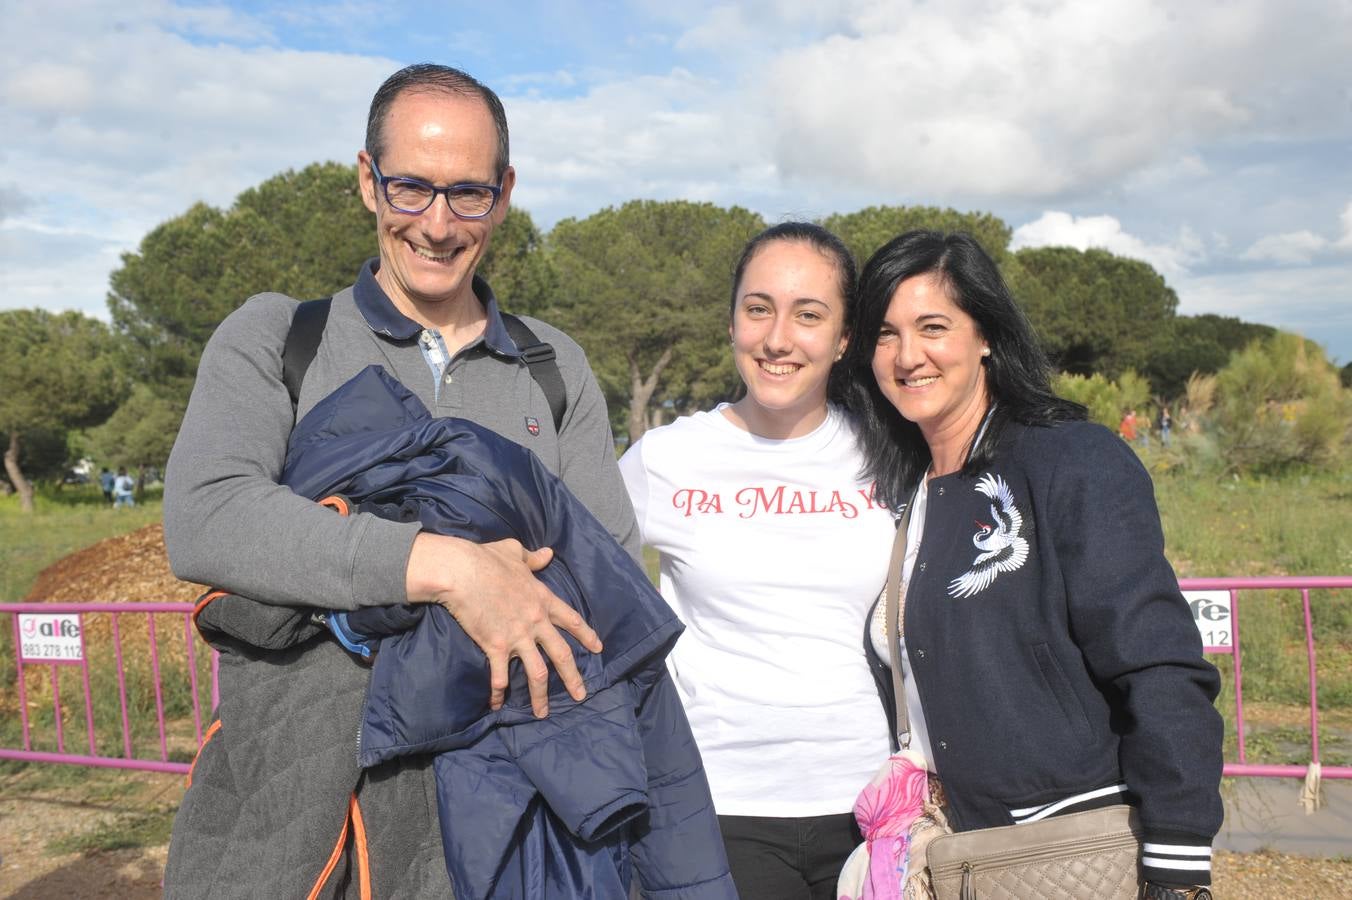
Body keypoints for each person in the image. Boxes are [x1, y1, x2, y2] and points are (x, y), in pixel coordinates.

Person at [162, 64, 658, 899]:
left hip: (506, 828)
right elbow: (208, 517)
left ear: (503, 195)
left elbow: (605, 568)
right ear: (367, 182)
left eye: (467, 193)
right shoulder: (278, 339)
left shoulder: (553, 368)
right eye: (410, 189)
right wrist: (446, 568)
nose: (437, 224)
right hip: (298, 821)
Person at [844, 230, 1223, 898]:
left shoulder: (1068, 460)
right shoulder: (909, 493)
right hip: (952, 854)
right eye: (885, 334)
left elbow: (1158, 664)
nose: (908, 357)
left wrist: (1178, 860)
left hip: (1066, 853)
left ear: (985, 334)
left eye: (933, 326)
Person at [619, 223, 897, 899]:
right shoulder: (665, 459)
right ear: (733, 322)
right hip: (713, 809)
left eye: (808, 315)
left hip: (874, 810)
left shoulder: (891, 455)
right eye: (758, 309)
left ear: (843, 339)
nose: (778, 338)